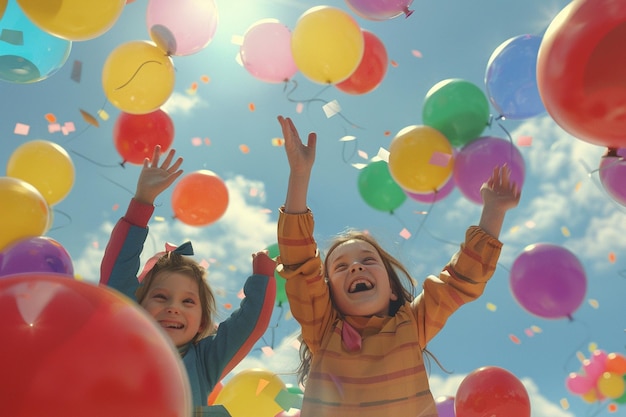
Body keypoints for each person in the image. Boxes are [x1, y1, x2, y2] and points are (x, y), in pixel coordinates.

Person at [275, 115, 521, 417]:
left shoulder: (410, 324)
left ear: (393, 290)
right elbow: (300, 263)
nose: (355, 268)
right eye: (340, 267)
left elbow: (459, 281)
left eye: (367, 260)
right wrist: (299, 174)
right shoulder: (324, 330)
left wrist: (494, 211)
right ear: (329, 296)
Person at [100, 145, 277, 415]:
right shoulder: (124, 337)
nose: (174, 307)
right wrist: (143, 199)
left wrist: (263, 277)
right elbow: (117, 272)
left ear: (202, 323)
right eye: (160, 296)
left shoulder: (205, 361)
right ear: (136, 306)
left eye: (188, 301)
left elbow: (250, 325)